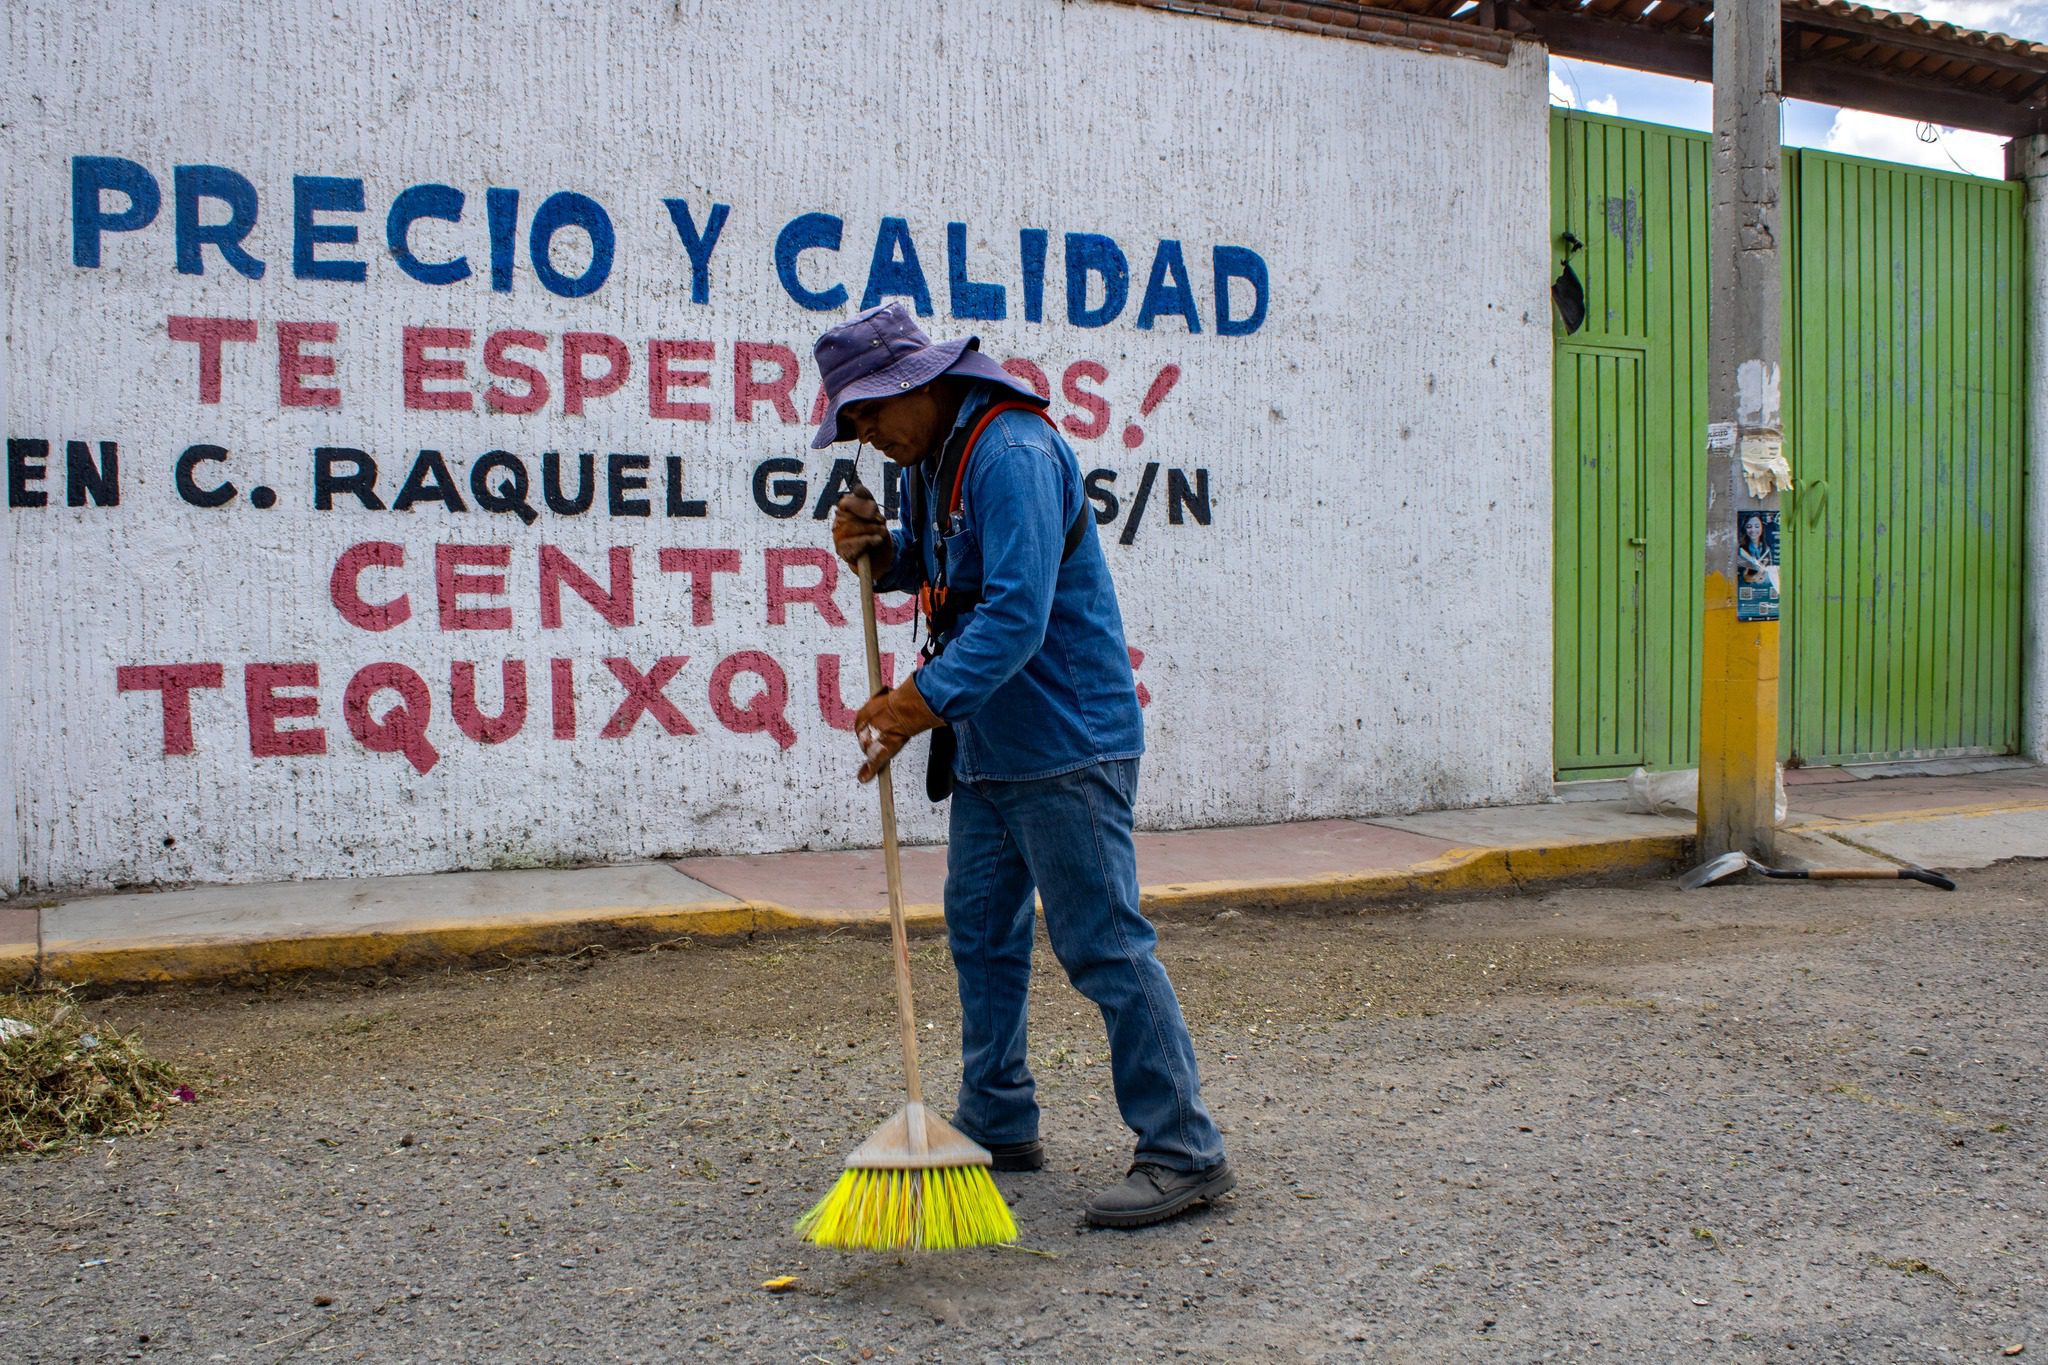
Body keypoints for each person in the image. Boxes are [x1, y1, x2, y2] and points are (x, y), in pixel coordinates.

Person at [811, 303, 1233, 1229]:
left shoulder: (1011, 454)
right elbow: (945, 572)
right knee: (981, 934)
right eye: (852, 427)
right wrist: (883, 553)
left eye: (870, 415)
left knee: (1102, 944)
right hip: (992, 747)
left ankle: (1183, 1146)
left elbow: (1012, 613)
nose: (867, 437)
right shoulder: (933, 460)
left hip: (1065, 741)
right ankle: (999, 1119)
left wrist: (911, 704)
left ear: (913, 385)